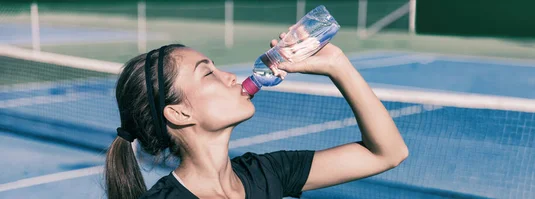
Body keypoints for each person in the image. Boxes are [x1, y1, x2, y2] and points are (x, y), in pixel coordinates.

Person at [104, 32, 409, 199]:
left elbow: (387, 153)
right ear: (179, 113)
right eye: (208, 73)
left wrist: (336, 64)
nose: (230, 77)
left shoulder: (265, 173)